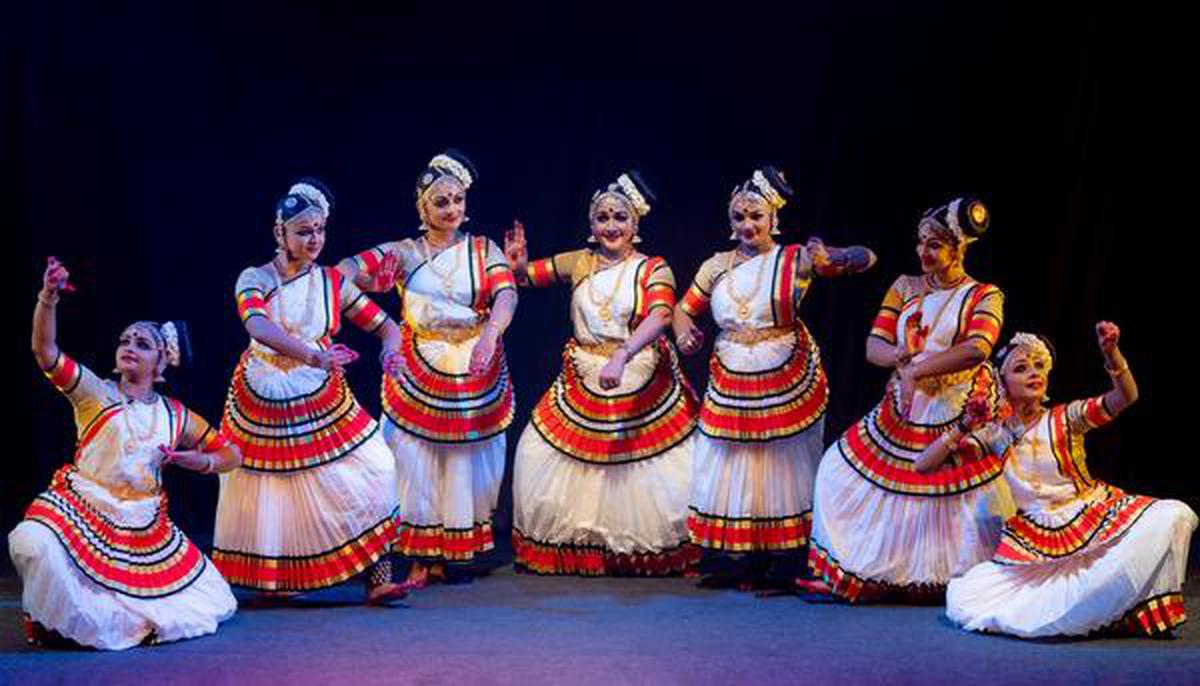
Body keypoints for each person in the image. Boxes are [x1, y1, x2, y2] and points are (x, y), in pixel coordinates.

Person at [11, 257, 239, 649]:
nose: (129, 346)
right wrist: (48, 297)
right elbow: (44, 349)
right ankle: (55, 615)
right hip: (84, 509)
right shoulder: (95, 392)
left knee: (212, 598)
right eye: (125, 340)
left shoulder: (175, 415)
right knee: (31, 541)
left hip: (142, 526)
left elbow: (231, 454)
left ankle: (89, 620)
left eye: (142, 343)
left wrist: (198, 461)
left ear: (161, 363)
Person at [800, 196, 1013, 601]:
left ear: (958, 248)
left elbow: (977, 348)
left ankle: (939, 581)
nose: (923, 252)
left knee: (947, 501)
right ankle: (874, 572)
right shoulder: (904, 286)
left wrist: (916, 370)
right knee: (837, 471)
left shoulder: (984, 295)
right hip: (903, 406)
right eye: (920, 242)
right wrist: (898, 358)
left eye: (934, 245)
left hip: (954, 406)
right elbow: (872, 345)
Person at [673, 167, 875, 589]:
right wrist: (682, 332)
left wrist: (834, 257)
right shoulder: (715, 266)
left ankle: (785, 556)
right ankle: (742, 556)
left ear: (772, 219)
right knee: (735, 463)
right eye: (739, 218)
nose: (747, 225)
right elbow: (683, 307)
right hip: (731, 370)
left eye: (756, 217)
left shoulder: (795, 259)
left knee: (783, 462)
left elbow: (866, 257)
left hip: (783, 367)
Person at [213, 178, 408, 603]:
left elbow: (387, 325)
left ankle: (379, 578)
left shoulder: (332, 283)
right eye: (303, 231)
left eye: (319, 230)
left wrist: (390, 355)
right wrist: (313, 355)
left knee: (375, 466)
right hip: (264, 388)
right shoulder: (255, 277)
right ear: (279, 233)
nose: (314, 239)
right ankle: (277, 582)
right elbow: (257, 326)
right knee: (275, 490)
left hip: (321, 394)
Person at [938, 325, 1197, 638]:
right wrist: (964, 425)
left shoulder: (1067, 417)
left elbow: (1125, 397)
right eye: (1021, 368)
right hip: (1038, 536)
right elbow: (924, 465)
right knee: (982, 597)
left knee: (1175, 514)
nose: (1034, 373)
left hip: (1090, 518)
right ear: (1002, 382)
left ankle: (1110, 606)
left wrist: (1111, 353)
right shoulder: (996, 435)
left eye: (1039, 366)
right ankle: (1094, 611)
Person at [505, 170, 701, 575]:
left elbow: (662, 314)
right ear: (592, 225)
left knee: (643, 466)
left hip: (638, 366)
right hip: (585, 369)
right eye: (603, 218)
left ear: (635, 224)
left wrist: (623, 355)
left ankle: (640, 550)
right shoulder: (580, 261)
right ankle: (583, 545)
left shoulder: (653, 268)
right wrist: (519, 266)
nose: (611, 226)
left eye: (619, 218)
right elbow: (525, 278)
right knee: (537, 451)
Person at [338, 150, 517, 588]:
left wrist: (491, 336)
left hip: (475, 359)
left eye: (457, 200)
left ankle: (454, 550)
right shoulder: (403, 252)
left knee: (467, 457)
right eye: (441, 202)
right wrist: (383, 326)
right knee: (415, 455)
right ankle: (419, 554)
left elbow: (507, 294)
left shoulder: (483, 249)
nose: (452, 209)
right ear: (423, 208)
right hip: (421, 363)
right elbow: (340, 274)